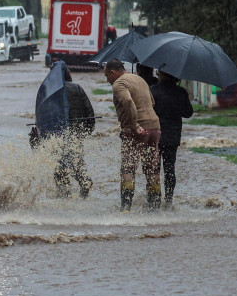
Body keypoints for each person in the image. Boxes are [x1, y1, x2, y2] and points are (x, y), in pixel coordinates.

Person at [103, 58, 161, 211]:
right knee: (152, 168)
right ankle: (154, 208)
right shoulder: (140, 79)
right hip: (155, 127)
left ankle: (125, 209)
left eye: (107, 76)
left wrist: (135, 125)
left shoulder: (119, 84)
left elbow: (128, 102)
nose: (107, 80)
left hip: (136, 130)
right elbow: (152, 102)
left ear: (112, 72)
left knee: (128, 169)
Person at [150, 70, 194, 208]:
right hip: (172, 137)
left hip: (155, 136)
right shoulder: (180, 92)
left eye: (158, 72)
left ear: (162, 74)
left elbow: (146, 110)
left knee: (153, 170)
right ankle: (168, 201)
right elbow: (188, 113)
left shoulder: (152, 90)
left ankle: (154, 201)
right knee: (170, 170)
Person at [55, 66, 95, 198]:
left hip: (59, 132)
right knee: (76, 157)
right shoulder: (77, 88)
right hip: (77, 130)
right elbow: (88, 109)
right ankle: (84, 181)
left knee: (60, 161)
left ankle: (64, 193)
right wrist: (89, 128)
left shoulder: (53, 92)